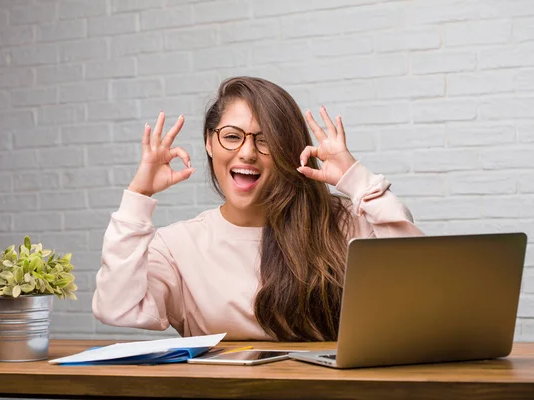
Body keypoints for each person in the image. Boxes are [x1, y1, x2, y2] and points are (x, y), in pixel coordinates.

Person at [92, 76, 423, 341]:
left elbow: (417, 272)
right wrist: (138, 195)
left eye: (264, 140)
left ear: (287, 151)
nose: (247, 152)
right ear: (209, 142)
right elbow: (117, 308)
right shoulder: (176, 247)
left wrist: (355, 179)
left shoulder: (339, 222)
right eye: (232, 136)